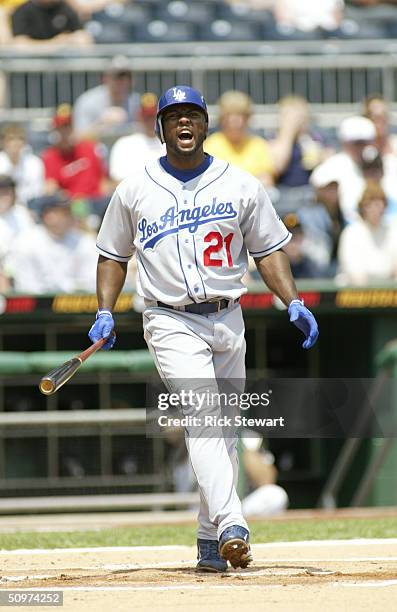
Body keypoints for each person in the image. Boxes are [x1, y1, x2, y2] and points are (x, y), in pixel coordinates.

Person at [88, 85, 319, 573]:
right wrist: (105, 309)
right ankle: (233, 520)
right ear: (161, 128)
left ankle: (208, 539)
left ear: (206, 124)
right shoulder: (135, 188)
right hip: (169, 316)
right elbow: (112, 254)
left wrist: (292, 299)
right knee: (203, 417)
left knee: (224, 428)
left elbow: (268, 249)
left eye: (192, 115)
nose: (184, 123)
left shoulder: (240, 183)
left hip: (228, 314)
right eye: (174, 117)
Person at [9, 192, 97, 294]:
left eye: (69, 212)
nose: (69, 216)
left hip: (77, 304)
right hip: (39, 305)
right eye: (63, 212)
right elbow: (27, 287)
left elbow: (92, 281)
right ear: (48, 216)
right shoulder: (26, 242)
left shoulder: (84, 241)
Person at [204, 90, 275, 186]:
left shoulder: (258, 145)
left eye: (240, 115)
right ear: (222, 119)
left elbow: (266, 180)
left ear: (248, 118)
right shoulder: (210, 145)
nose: (235, 121)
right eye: (229, 115)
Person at [41, 103, 109, 200]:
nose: (66, 133)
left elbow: (103, 182)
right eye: (62, 129)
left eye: (69, 128)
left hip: (96, 201)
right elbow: (50, 188)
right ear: (56, 131)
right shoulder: (50, 156)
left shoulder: (90, 149)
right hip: (71, 205)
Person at [337, 180, 397, 286]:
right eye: (369, 205)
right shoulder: (351, 233)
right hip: (355, 294)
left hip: (388, 293)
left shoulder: (392, 231)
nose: (374, 209)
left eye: (378, 204)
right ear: (363, 207)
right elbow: (355, 274)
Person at [270, 95, 332, 188]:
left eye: (300, 117)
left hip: (312, 192)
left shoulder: (316, 138)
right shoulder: (274, 140)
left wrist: (324, 158)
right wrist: (288, 132)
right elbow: (278, 166)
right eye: (292, 118)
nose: (297, 122)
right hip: (284, 192)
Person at [73, 56, 141, 139]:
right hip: (97, 150)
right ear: (105, 78)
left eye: (128, 77)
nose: (124, 81)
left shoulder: (136, 102)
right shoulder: (88, 101)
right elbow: (77, 137)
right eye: (118, 77)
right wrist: (102, 123)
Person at [109, 93, 165, 183]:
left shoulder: (169, 144)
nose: (151, 121)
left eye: (154, 117)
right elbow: (116, 180)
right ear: (139, 117)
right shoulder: (123, 144)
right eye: (147, 117)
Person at [11, 0, 92, 46]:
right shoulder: (23, 11)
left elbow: (83, 36)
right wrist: (53, 44)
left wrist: (70, 39)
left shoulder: (65, 8)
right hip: (30, 70)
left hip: (62, 70)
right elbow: (19, 44)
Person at [0, 123, 45, 205]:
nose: (15, 143)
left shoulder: (35, 163)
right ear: (2, 142)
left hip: (29, 206)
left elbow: (37, 192)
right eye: (11, 139)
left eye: (20, 139)